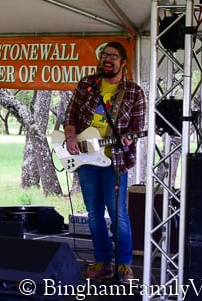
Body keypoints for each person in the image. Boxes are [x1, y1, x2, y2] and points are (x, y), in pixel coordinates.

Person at [63, 41, 146, 283]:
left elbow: (136, 128)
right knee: (93, 213)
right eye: (104, 55)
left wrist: (129, 140)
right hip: (87, 158)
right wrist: (70, 136)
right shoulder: (87, 84)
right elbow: (72, 114)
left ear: (123, 62)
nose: (107, 59)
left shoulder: (133, 91)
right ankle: (102, 262)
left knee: (118, 213)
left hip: (115, 161)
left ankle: (124, 265)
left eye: (113, 56)